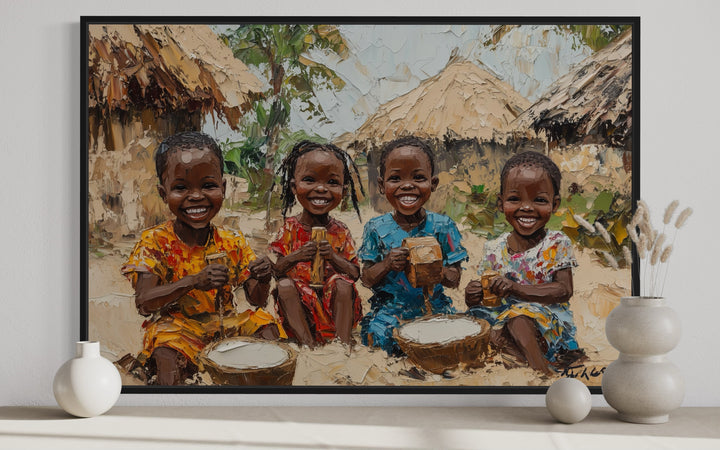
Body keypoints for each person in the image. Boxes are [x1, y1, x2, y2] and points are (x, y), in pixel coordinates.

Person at [121, 131, 283, 385]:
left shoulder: (232, 241)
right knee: (165, 349)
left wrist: (262, 278)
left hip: (226, 324)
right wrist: (193, 282)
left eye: (208, 186)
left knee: (265, 325)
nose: (196, 196)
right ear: (163, 194)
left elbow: (257, 299)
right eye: (181, 188)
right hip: (179, 329)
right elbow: (144, 303)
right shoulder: (155, 242)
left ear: (223, 188)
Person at [465, 151, 580, 375]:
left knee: (518, 318)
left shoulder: (556, 243)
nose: (526, 208)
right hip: (503, 318)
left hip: (545, 323)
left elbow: (564, 290)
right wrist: (474, 295)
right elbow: (489, 298)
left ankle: (541, 370)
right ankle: (516, 353)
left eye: (539, 200)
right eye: (515, 199)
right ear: (501, 203)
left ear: (554, 204)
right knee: (476, 325)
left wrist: (516, 288)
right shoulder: (494, 248)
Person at [359, 136, 467, 356]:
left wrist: (434, 268)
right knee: (380, 336)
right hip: (391, 310)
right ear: (382, 185)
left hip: (434, 308)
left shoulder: (443, 226)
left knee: (453, 338)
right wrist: (388, 263)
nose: (407, 185)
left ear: (433, 184)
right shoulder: (376, 228)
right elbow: (367, 278)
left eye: (418, 178)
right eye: (395, 178)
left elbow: (454, 280)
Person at [270, 141, 365, 347]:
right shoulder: (289, 229)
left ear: (343, 189)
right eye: (309, 180)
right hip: (302, 308)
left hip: (334, 307)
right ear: (294, 186)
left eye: (332, 182)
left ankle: (342, 343)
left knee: (342, 283)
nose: (321, 189)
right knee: (285, 285)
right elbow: (277, 270)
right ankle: (307, 344)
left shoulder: (339, 231)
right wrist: (297, 256)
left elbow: (355, 273)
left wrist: (332, 257)